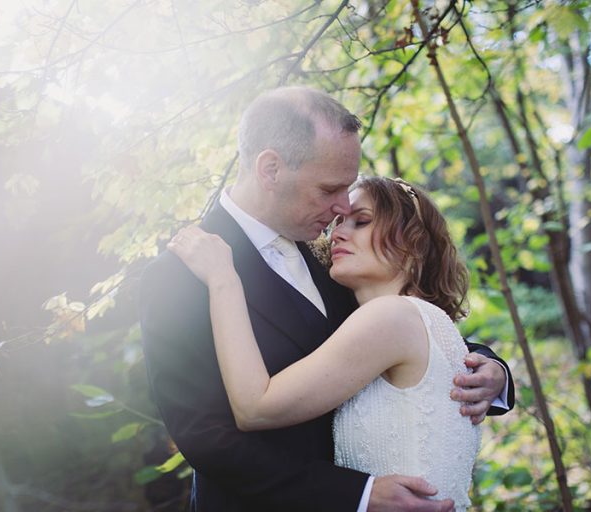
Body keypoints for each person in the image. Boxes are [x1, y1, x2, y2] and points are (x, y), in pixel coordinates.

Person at [139, 86, 514, 512]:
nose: (341, 208)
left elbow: (409, 334)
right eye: (329, 189)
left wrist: (492, 373)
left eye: (348, 190)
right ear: (270, 169)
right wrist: (358, 494)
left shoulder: (338, 261)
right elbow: (208, 439)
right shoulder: (179, 276)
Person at [168, 176, 483, 510]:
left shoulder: (391, 317)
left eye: (361, 221)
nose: (338, 233)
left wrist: (223, 279)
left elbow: (255, 408)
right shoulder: (420, 322)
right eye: (337, 222)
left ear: (414, 242)